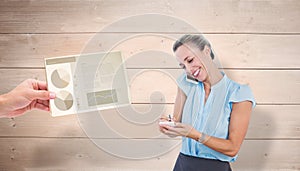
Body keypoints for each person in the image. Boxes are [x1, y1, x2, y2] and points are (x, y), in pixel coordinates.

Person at [159, 34, 255, 171]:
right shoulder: (185, 84)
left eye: (190, 60)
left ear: (206, 51)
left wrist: (195, 134)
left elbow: (233, 148)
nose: (189, 69)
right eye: (183, 66)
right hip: (183, 164)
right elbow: (177, 126)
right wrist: (168, 128)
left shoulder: (239, 93)